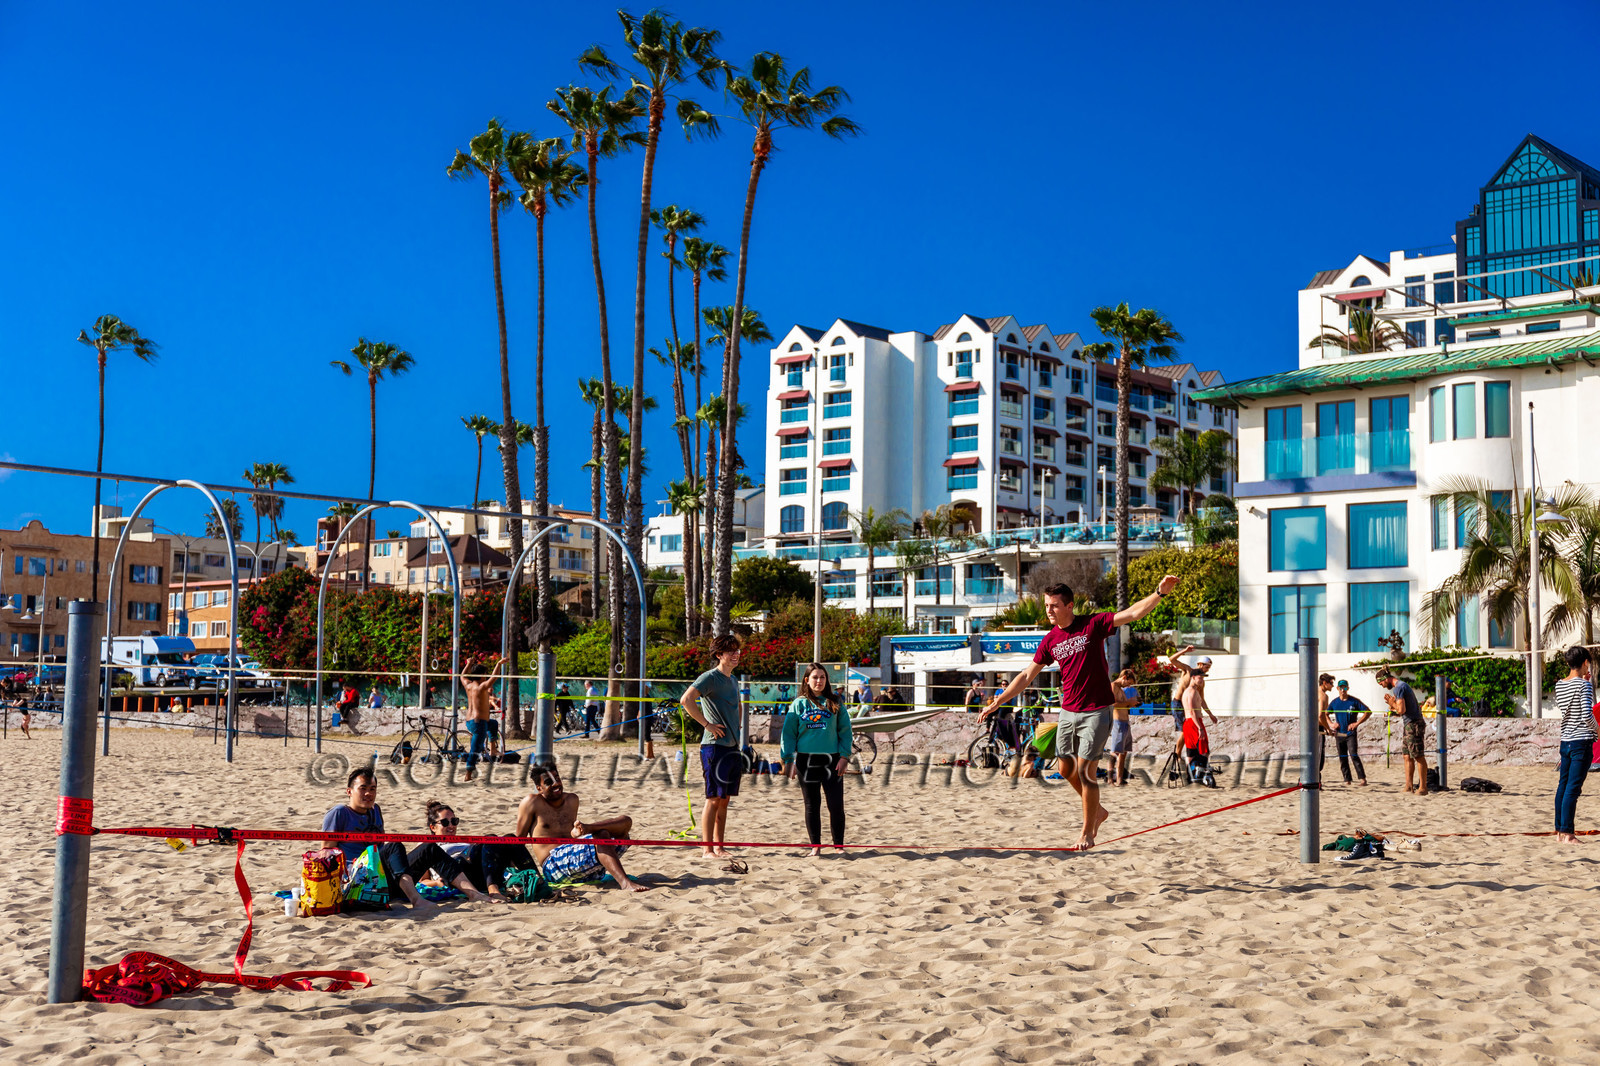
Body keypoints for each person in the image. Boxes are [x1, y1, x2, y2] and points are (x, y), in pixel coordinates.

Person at [984, 575, 1181, 850]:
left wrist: (1159, 593)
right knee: (1065, 769)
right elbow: (1027, 675)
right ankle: (1097, 811)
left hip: (1097, 711)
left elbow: (1133, 613)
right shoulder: (1050, 640)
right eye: (1046, 605)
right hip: (1068, 711)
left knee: (1086, 771)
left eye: (1054, 605)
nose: (1049, 610)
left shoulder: (1092, 624)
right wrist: (999, 701)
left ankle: (1087, 831)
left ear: (1069, 606)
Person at [320, 766, 493, 910]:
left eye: (372, 789)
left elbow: (381, 847)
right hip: (359, 880)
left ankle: (474, 894)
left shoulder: (375, 810)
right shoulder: (339, 813)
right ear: (349, 791)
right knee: (394, 845)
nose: (368, 793)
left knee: (429, 847)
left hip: (383, 878)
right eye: (363, 788)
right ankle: (416, 900)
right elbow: (326, 853)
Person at [515, 764, 652, 890]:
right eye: (549, 782)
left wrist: (586, 829)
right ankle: (625, 883)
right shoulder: (532, 802)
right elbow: (517, 843)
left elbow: (625, 826)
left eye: (557, 778)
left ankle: (588, 828)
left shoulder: (572, 800)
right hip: (553, 866)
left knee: (624, 828)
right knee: (601, 835)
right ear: (539, 788)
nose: (556, 784)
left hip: (584, 868)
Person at [680, 633, 744, 858]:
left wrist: (738, 726)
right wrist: (707, 724)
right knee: (713, 798)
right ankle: (707, 849)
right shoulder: (709, 677)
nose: (736, 654)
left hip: (732, 746)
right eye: (731, 651)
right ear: (719, 654)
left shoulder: (733, 679)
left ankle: (719, 846)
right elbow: (686, 700)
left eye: (737, 650)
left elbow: (738, 705)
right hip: (714, 746)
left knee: (724, 799)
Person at [781, 663, 855, 857]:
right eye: (815, 677)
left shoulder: (835, 702)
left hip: (832, 760)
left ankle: (838, 846)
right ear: (807, 680)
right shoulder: (799, 704)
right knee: (812, 805)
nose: (819, 681)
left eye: (822, 677)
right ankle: (816, 846)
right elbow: (788, 734)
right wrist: (788, 760)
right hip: (806, 761)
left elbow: (845, 732)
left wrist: (844, 756)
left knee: (835, 805)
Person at [421, 799, 517, 899]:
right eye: (445, 822)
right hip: (457, 874)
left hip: (481, 872)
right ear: (433, 827)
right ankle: (493, 890)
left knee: (510, 838)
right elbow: (422, 880)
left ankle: (527, 878)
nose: (451, 826)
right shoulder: (429, 846)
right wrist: (436, 883)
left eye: (454, 821)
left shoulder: (464, 841)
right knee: (490, 838)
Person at [1554, 645, 1596, 844]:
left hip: (1566, 740)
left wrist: (1583, 682)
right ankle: (1568, 834)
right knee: (1573, 788)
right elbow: (1586, 715)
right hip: (1581, 741)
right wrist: (1598, 729)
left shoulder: (1560, 685)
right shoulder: (1584, 686)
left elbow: (1570, 711)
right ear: (1585, 662)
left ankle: (1559, 831)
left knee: (1563, 786)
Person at [1169, 645, 1219, 787]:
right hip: (1179, 703)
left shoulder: (1200, 682)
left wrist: (1210, 714)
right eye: (1206, 666)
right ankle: (1177, 758)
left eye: (1209, 668)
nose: (1207, 669)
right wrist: (1185, 651)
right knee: (1185, 731)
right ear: (1200, 664)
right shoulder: (1188, 670)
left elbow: (1201, 700)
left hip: (1190, 707)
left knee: (1189, 733)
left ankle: (1189, 763)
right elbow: (1172, 659)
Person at [1378, 670, 1429, 795]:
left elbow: (1401, 710)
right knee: (1406, 755)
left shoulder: (1399, 688)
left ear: (1385, 679)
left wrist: (1393, 704)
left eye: (1381, 683)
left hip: (1413, 724)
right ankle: (1409, 786)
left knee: (1418, 755)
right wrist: (1393, 706)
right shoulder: (1401, 686)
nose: (1382, 686)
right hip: (1409, 724)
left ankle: (1423, 788)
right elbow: (1401, 709)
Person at [461, 657, 504, 782]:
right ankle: (468, 773)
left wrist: (468, 664)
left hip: (471, 722)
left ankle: (493, 749)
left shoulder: (468, 685)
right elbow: (494, 677)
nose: (486, 676)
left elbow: (462, 675)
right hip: (478, 723)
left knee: (493, 724)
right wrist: (498, 664)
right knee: (475, 749)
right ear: (481, 675)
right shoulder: (481, 687)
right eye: (485, 674)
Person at [1326, 680, 1371, 786]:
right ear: (1338, 689)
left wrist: (1357, 723)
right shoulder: (1335, 702)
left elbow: (1368, 712)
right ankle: (1347, 779)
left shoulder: (1354, 701)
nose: (1343, 690)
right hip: (1339, 734)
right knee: (1342, 757)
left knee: (1353, 754)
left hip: (1350, 734)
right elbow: (1325, 714)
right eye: (1341, 688)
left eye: (1345, 688)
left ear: (1348, 688)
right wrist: (1331, 724)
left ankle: (1362, 779)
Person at [1109, 668, 1137, 786]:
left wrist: (1132, 704)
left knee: (1123, 753)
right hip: (1118, 722)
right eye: (1129, 683)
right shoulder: (1113, 686)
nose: (1128, 686)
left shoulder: (1121, 690)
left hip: (1125, 722)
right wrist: (1129, 702)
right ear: (1124, 677)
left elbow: (1124, 705)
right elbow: (1113, 704)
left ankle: (1119, 779)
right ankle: (1110, 778)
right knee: (1115, 752)